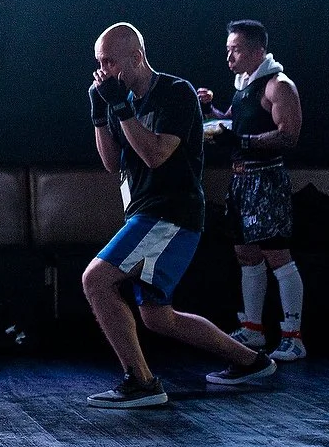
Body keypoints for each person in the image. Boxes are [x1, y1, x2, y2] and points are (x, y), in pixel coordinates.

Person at [82, 23, 277, 408]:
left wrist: (119, 107)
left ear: (136, 58)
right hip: (145, 213)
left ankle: (142, 383)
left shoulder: (176, 93)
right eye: (98, 62)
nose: (102, 70)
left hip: (170, 214)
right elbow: (110, 164)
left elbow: (155, 154)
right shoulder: (120, 97)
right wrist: (100, 114)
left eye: (110, 61)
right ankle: (251, 362)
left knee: (96, 280)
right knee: (158, 317)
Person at [198, 20, 306, 361]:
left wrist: (240, 139)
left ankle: (293, 336)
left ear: (257, 52)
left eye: (236, 50)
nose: (229, 57)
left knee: (277, 254)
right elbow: (233, 122)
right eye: (228, 50)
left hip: (267, 179)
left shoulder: (278, 86)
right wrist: (209, 112)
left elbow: (288, 136)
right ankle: (254, 330)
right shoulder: (245, 85)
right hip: (241, 179)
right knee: (246, 253)